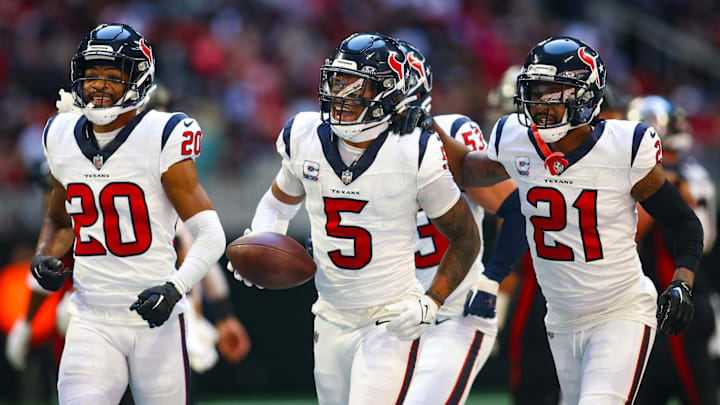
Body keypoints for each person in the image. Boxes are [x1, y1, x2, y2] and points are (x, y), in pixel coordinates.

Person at [419, 36, 703, 404]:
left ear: (585, 96)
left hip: (621, 310)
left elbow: (684, 222)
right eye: (536, 90)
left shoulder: (624, 145)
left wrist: (682, 282)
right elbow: (466, 172)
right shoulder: (516, 138)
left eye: (554, 92)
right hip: (561, 319)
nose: (540, 102)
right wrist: (427, 124)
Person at [226, 32, 480, 404]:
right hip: (329, 314)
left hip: (389, 318)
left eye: (356, 85)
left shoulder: (415, 151)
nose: (341, 94)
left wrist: (433, 300)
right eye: (337, 81)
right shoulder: (304, 135)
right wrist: (262, 240)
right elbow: (277, 204)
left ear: (389, 94)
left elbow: (466, 237)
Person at [31, 23, 225, 404]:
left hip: (155, 318)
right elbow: (59, 220)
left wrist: (175, 288)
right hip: (89, 316)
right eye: (91, 75)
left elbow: (211, 233)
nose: (98, 85)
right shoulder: (59, 134)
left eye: (111, 75)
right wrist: (45, 255)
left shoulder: (163, 133)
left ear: (137, 80)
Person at [391, 39, 528, 405]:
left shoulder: (449, 134)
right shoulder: (351, 152)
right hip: (390, 315)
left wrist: (494, 281)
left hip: (449, 311)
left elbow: (517, 208)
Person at [629, 96, 719, 405]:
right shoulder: (692, 170)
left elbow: (635, 232)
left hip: (677, 298)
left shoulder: (675, 175)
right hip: (671, 297)